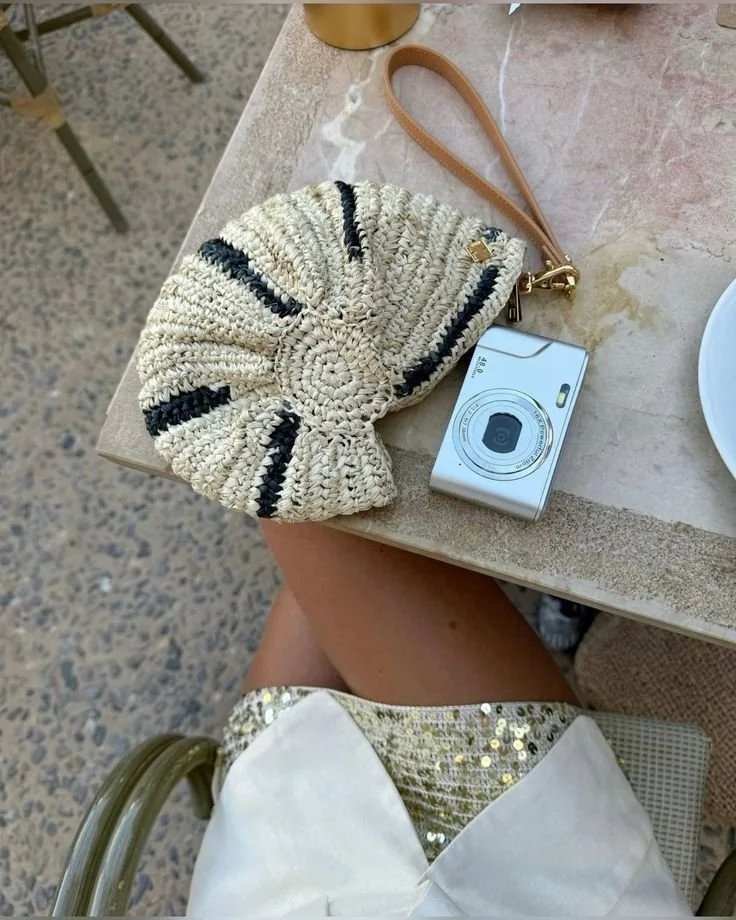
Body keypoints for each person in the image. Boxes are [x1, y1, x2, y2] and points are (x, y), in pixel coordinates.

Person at [186, 523, 691, 917]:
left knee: (307, 494)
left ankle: (479, 531)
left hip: (279, 880)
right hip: (541, 885)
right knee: (323, 499)